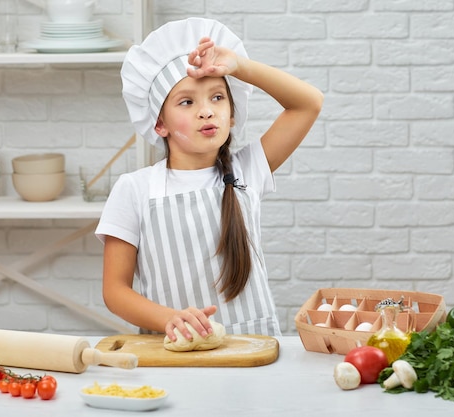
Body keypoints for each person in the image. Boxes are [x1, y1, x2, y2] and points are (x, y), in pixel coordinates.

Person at [95, 18, 323, 343]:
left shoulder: (247, 170)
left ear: (232, 114)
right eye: (187, 102)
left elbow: (308, 103)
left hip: (251, 351)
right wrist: (170, 319)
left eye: (217, 97)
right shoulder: (134, 189)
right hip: (174, 352)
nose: (206, 111)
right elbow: (115, 292)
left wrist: (239, 66)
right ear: (160, 123)